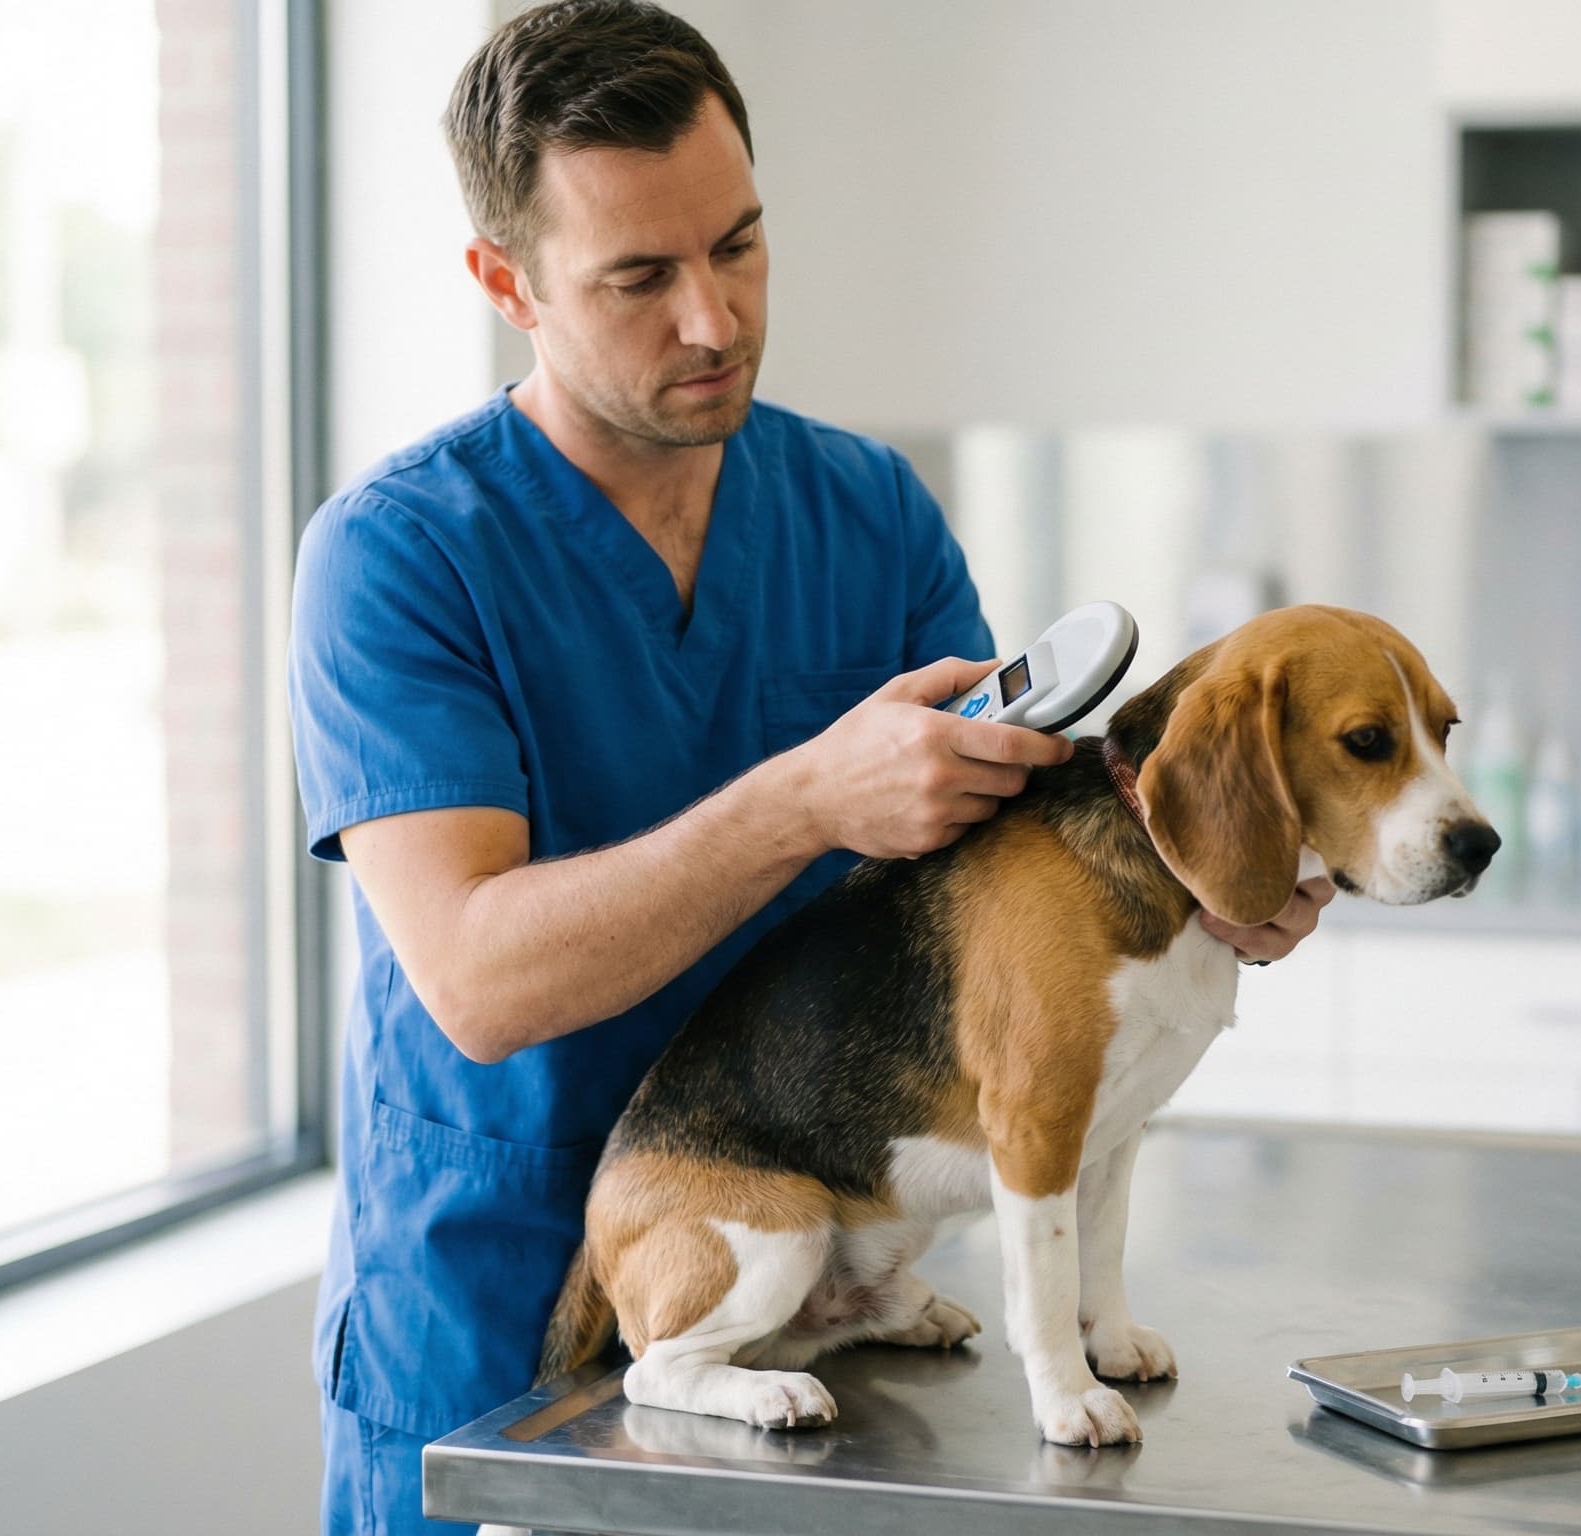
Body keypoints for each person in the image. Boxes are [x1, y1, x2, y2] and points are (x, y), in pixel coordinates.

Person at [286, 4, 1332, 1530]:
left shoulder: (866, 512)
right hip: (491, 1308)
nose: (712, 320)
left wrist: (1220, 873)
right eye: (639, 277)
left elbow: (1009, 876)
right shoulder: (396, 561)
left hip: (829, 1293)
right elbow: (477, 979)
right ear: (505, 283)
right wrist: (803, 802)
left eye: (741, 245)